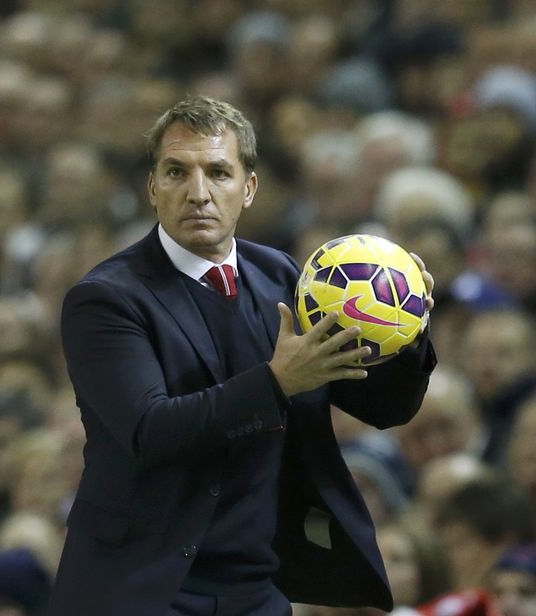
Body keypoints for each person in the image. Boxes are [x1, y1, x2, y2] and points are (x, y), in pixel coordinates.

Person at [48, 96, 437, 616]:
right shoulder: (106, 298)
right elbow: (150, 431)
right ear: (152, 188)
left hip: (256, 587)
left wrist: (405, 331)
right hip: (141, 584)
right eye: (176, 172)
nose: (198, 192)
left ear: (248, 187)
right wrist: (276, 383)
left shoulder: (281, 276)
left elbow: (383, 409)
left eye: (218, 172)